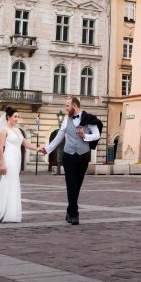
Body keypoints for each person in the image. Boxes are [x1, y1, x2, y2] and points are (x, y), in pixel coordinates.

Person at [41, 96, 101, 225]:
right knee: (71, 184)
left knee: (77, 185)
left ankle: (69, 210)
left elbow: (97, 135)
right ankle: (75, 214)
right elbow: (58, 137)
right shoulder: (66, 121)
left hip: (83, 155)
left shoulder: (88, 119)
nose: (65, 108)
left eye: (67, 106)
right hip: (68, 156)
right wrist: (47, 149)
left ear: (74, 105)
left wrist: (86, 136)